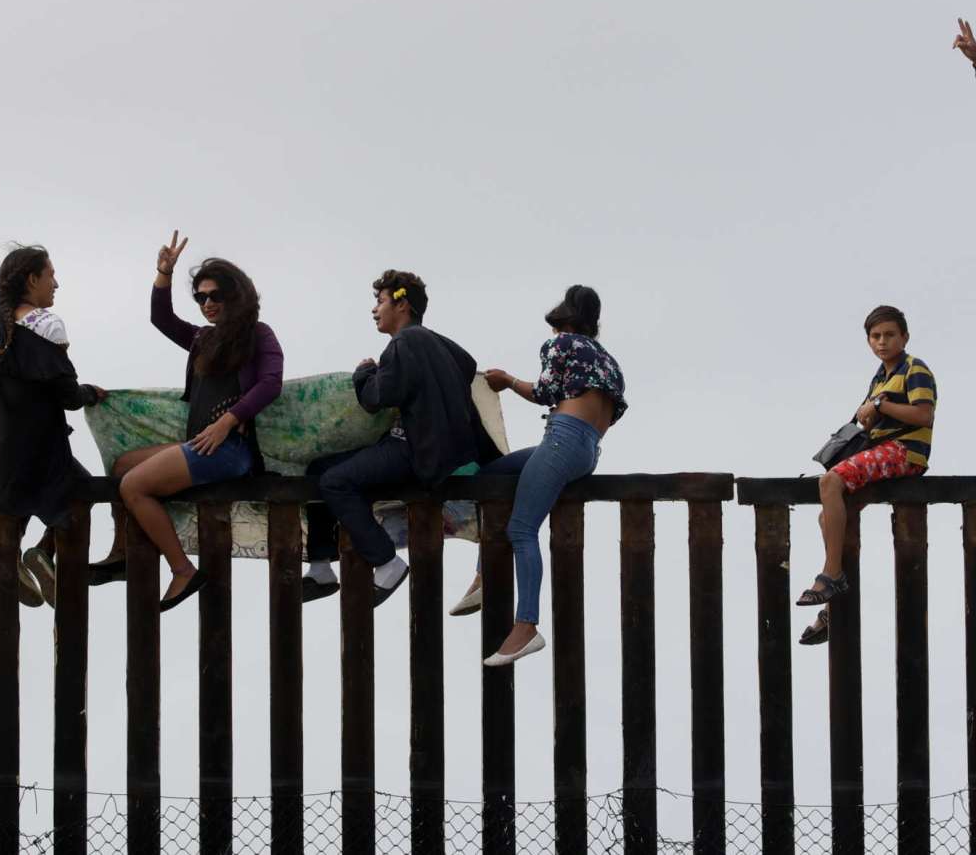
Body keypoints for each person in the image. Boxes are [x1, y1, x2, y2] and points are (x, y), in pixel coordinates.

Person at [92, 230, 283, 611]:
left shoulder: (258, 334)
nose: (206, 303)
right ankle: (122, 552)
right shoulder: (202, 339)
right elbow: (160, 318)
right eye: (200, 297)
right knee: (122, 466)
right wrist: (164, 272)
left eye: (214, 295)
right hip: (200, 445)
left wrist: (228, 421)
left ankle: (181, 569)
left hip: (229, 449)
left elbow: (270, 384)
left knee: (133, 487)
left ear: (235, 293)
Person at [301, 270, 498, 607]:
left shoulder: (404, 343)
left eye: (379, 301)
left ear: (401, 303)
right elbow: (468, 364)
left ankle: (387, 563)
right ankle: (321, 568)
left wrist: (365, 372)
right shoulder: (438, 343)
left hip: (414, 449)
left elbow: (378, 397)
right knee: (318, 469)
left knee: (335, 482)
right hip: (439, 450)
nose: (374, 310)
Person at [456, 285, 627, 666]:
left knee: (522, 529)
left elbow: (546, 391)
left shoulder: (561, 344)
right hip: (587, 450)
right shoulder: (609, 362)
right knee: (491, 475)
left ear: (563, 319)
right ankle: (484, 575)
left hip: (562, 438)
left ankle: (526, 626)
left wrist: (507, 381)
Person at [0, 245, 106, 608]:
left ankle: (13, 559)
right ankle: (43, 554)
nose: (56, 284)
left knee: (16, 494)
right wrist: (91, 394)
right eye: (51, 275)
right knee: (82, 493)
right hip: (32, 454)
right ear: (32, 279)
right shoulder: (45, 324)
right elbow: (66, 395)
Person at [798, 305, 935, 645]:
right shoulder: (881, 376)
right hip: (882, 451)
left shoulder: (914, 369)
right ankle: (832, 607)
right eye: (876, 336)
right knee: (826, 517)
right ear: (868, 341)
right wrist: (873, 411)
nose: (883, 341)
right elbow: (872, 422)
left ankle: (831, 575)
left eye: (890, 335)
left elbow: (923, 415)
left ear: (905, 336)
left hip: (906, 451)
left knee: (829, 482)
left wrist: (880, 406)